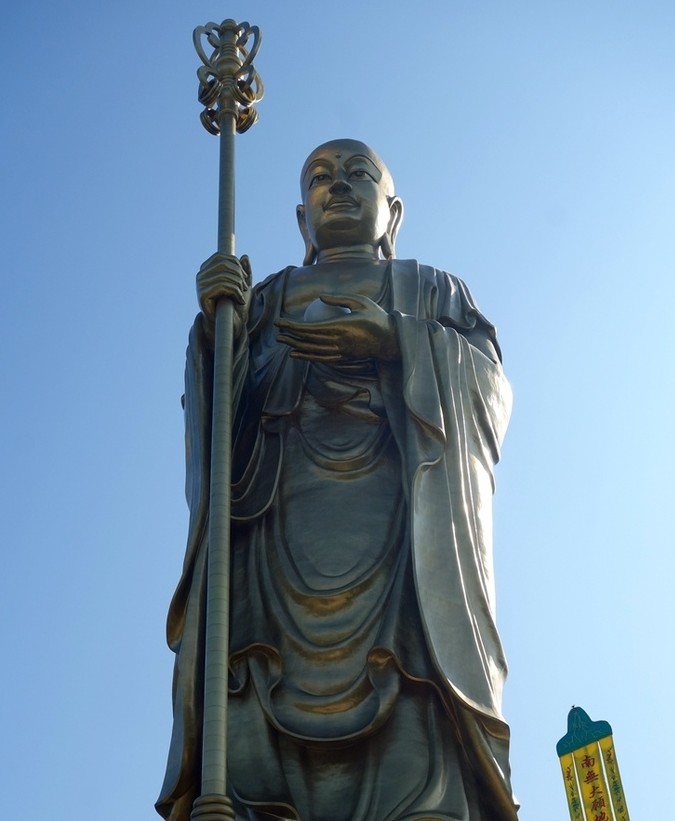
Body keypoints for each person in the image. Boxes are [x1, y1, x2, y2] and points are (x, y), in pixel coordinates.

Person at [156, 139, 518, 821]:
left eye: (358, 175)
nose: (340, 187)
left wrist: (398, 342)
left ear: (393, 213)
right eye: (321, 178)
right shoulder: (262, 302)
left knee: (414, 694)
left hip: (404, 548)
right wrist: (215, 333)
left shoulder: (431, 289)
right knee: (249, 687)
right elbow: (218, 426)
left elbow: (490, 391)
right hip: (273, 544)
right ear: (302, 218)